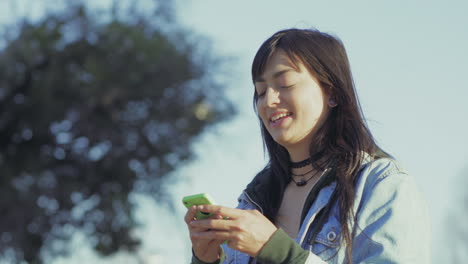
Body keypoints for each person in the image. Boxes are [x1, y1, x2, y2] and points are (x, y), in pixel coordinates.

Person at [184, 28, 431, 264]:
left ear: (331, 92)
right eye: (260, 91)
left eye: (285, 84)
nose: (268, 100)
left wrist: (276, 250)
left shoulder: (382, 184)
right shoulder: (255, 199)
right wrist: (205, 260)